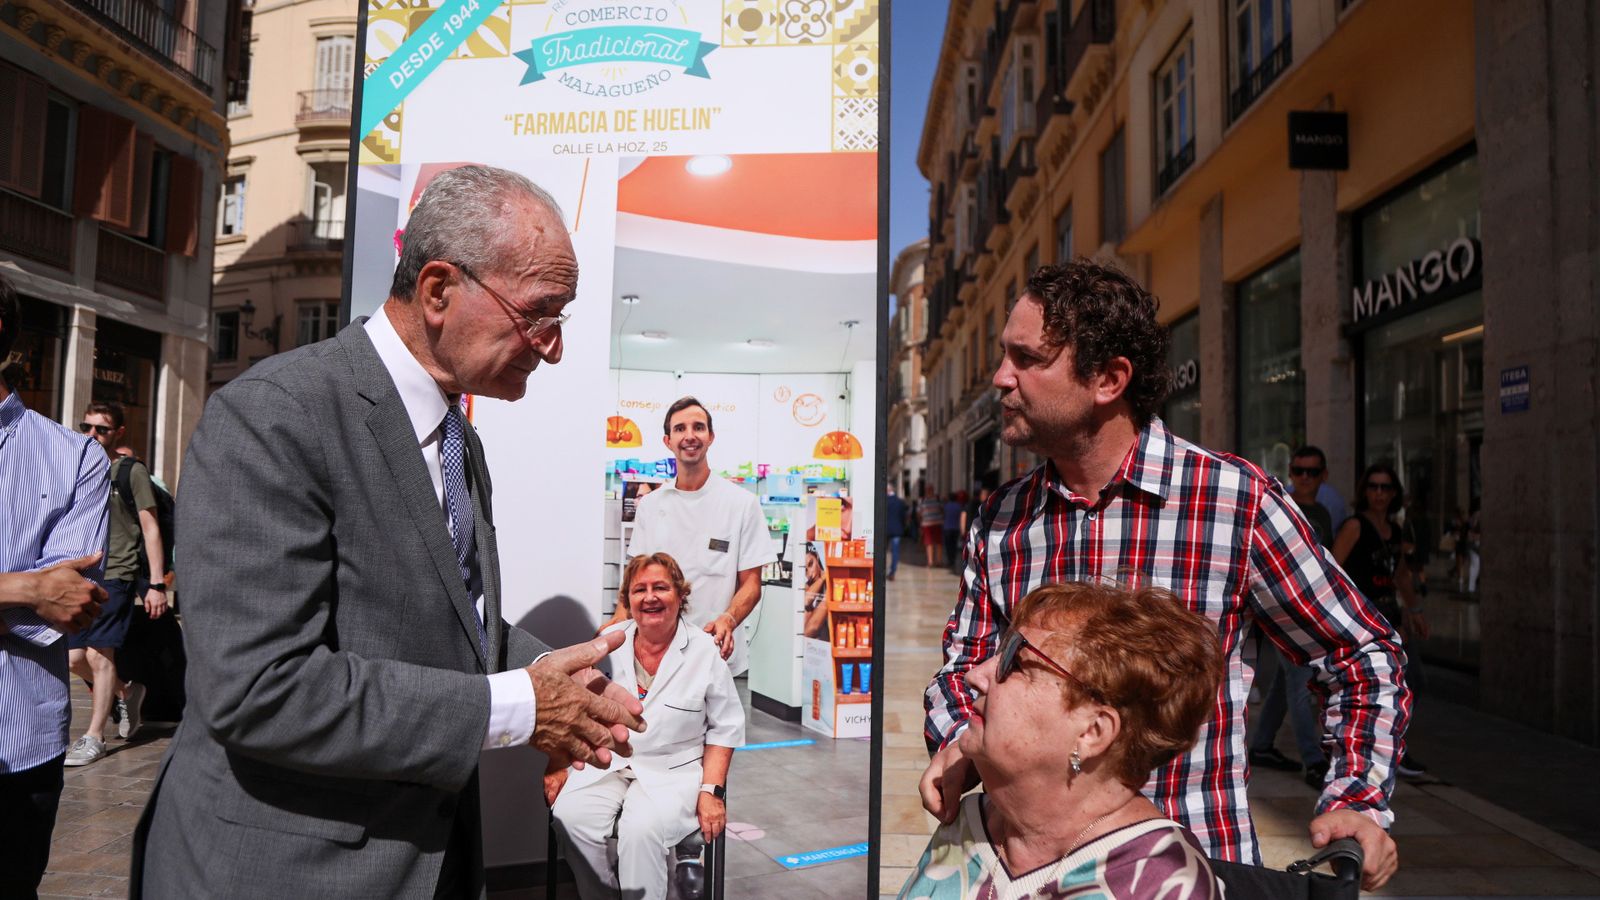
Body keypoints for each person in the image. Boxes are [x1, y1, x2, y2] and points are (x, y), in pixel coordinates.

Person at [132, 165, 646, 899]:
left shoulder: (457, 440)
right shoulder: (276, 415)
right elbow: (259, 689)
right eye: (540, 314)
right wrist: (521, 706)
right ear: (438, 290)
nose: (552, 346)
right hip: (289, 873)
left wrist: (557, 675)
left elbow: (439, 617)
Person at [920, 262, 1410, 890]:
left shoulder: (1234, 501)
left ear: (1108, 378)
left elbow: (1360, 652)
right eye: (1002, 355)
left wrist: (1355, 796)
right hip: (1021, 871)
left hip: (1188, 870)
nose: (1001, 378)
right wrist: (963, 740)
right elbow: (964, 666)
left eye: (1027, 357)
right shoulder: (1001, 517)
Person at [900, 581, 1225, 899]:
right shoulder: (967, 828)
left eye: (1015, 663)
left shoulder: (1163, 884)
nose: (976, 676)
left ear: (1092, 732)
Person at [0, 276, 112, 899]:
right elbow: (39, 599)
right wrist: (23, 588)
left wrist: (42, 599)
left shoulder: (73, 457)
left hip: (18, 737)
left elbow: (64, 608)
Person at [550, 553, 743, 899]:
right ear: (627, 601)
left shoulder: (704, 651)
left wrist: (711, 792)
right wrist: (559, 763)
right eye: (639, 590)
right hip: (608, 762)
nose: (650, 597)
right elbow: (575, 705)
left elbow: (724, 726)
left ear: (680, 596)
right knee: (569, 816)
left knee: (640, 831)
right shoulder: (609, 641)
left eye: (661, 588)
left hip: (672, 772)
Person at [613, 397, 776, 676]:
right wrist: (618, 619)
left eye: (698, 427)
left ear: (711, 437)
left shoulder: (740, 504)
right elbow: (635, 578)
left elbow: (751, 584)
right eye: (680, 429)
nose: (690, 436)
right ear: (668, 440)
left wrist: (729, 619)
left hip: (713, 650)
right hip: (654, 653)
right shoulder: (651, 506)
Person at [63, 402, 165, 766]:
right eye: (86, 426)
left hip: (117, 572)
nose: (92, 434)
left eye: (101, 429)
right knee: (73, 657)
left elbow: (150, 527)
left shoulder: (129, 471)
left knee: (98, 654)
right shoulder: (76, 466)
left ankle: (94, 737)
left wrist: (156, 582)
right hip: (82, 573)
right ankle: (126, 690)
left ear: (118, 433)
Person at [1331, 463, 1428, 780]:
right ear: (1364, 491)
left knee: (1407, 683)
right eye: (1373, 486)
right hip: (1363, 621)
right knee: (1375, 688)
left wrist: (1415, 611)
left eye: (1386, 488)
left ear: (1395, 493)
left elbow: (1399, 575)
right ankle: (1373, 752)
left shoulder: (1396, 531)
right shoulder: (1355, 526)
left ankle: (1390, 748)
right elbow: (1331, 571)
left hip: (1391, 618)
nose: (1379, 493)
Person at [1248, 445, 1333, 787]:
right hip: (1282, 608)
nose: (1305, 478)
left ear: (1323, 476)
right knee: (1301, 684)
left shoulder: (1324, 514)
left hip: (1314, 609)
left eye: (1312, 472)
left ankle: (1263, 744)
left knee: (1287, 683)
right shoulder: (1283, 505)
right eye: (1299, 471)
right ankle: (1313, 760)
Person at [802, 547, 830, 640]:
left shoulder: (829, 583)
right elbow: (806, 601)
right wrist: (822, 578)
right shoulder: (808, 584)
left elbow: (811, 629)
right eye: (804, 570)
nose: (810, 574)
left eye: (811, 564)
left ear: (817, 557)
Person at [885, 483, 907, 580]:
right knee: (895, 552)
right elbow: (904, 517)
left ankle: (882, 571)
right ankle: (892, 572)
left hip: (885, 530)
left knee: (882, 552)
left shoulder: (884, 501)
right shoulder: (900, 502)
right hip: (897, 529)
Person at [919, 486, 945, 567]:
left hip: (936, 523)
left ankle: (938, 561)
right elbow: (919, 512)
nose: (929, 491)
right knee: (929, 543)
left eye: (930, 489)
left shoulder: (937, 499)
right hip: (927, 524)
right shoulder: (922, 500)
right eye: (928, 489)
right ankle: (930, 561)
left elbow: (942, 509)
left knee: (938, 543)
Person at [942, 491, 964, 573]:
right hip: (956, 528)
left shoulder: (946, 506)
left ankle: (949, 560)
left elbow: (943, 515)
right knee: (954, 545)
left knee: (948, 545)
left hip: (947, 528)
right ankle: (953, 559)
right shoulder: (959, 506)